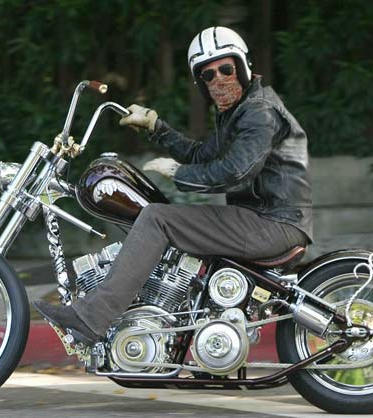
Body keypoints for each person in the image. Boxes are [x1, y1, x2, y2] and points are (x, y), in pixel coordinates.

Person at [33, 26, 312, 345]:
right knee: (162, 217)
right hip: (263, 220)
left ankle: (90, 318)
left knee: (157, 217)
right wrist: (156, 127)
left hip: (273, 223)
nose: (218, 79)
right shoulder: (239, 112)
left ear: (243, 67)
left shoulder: (259, 112)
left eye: (226, 69)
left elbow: (236, 171)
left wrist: (179, 173)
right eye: (208, 75)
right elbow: (202, 155)